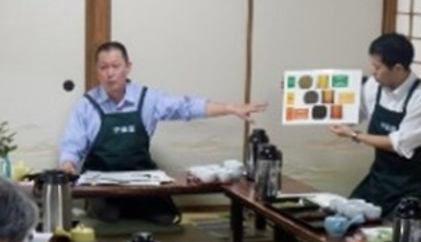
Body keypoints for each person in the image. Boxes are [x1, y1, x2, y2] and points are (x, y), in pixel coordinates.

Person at [59, 41, 267, 225]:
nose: (110, 73)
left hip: (140, 178)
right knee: (110, 218)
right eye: (104, 67)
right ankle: (106, 208)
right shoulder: (87, 104)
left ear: (128, 67)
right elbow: (73, 143)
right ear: (97, 70)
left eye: (116, 66)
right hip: (101, 180)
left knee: (167, 218)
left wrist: (230, 108)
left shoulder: (147, 98)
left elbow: (186, 107)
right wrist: (67, 163)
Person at [329, 32, 421, 218]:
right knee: (344, 218)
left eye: (377, 67)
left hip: (416, 182)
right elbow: (353, 113)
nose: (373, 72)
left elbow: (398, 143)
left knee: (395, 237)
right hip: (381, 176)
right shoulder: (374, 86)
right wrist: (303, 97)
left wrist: (355, 136)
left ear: (398, 68)